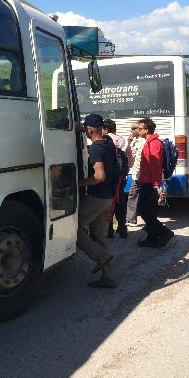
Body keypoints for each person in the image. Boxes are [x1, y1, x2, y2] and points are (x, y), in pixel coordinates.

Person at [77, 113, 119, 288]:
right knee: (100, 237)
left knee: (72, 230)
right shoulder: (109, 143)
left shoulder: (95, 148)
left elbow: (99, 176)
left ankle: (100, 256)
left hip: (97, 198)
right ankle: (108, 277)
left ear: (90, 130)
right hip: (108, 197)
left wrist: (78, 183)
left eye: (85, 130)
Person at [136, 118, 174, 248]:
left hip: (150, 183)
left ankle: (165, 233)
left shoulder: (154, 144)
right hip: (147, 181)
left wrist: (156, 185)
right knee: (149, 212)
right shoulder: (150, 143)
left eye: (140, 129)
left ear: (146, 130)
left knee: (144, 211)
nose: (138, 131)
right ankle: (152, 238)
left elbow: (155, 166)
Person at [102, 118, 129, 239]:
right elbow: (129, 158)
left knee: (109, 203)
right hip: (121, 178)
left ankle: (109, 230)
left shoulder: (105, 140)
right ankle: (122, 229)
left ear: (106, 129)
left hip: (109, 178)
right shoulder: (123, 140)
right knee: (120, 202)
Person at [125, 122, 145, 226]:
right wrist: (129, 142)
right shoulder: (134, 141)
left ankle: (131, 220)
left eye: (133, 128)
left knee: (132, 195)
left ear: (138, 130)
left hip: (139, 174)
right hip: (135, 173)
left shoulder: (142, 141)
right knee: (135, 195)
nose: (131, 130)